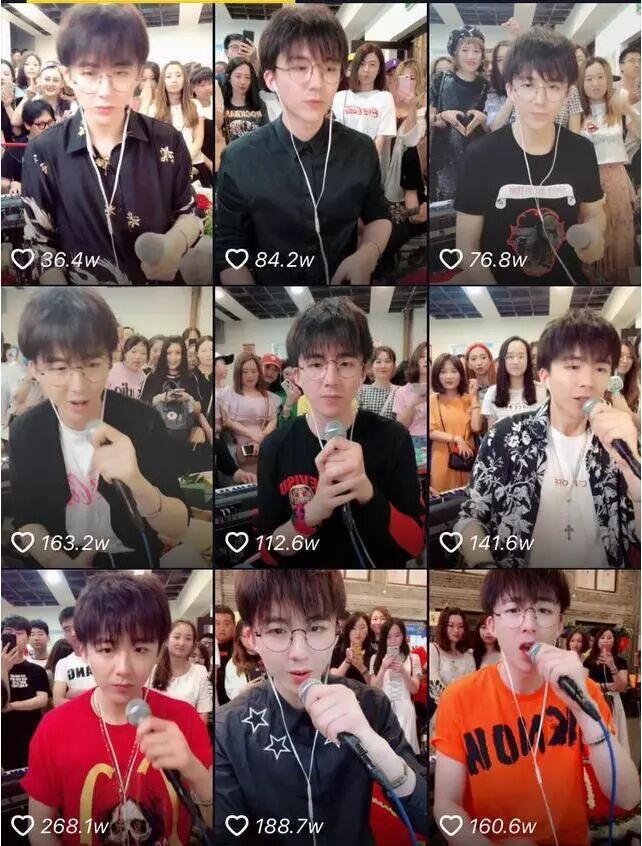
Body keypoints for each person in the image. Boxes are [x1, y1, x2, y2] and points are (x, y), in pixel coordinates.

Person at [215, 571, 427, 845]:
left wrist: (374, 745)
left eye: (316, 628)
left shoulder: (371, 704)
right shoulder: (228, 728)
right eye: (277, 630)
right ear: (251, 637)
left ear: (337, 631)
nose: (299, 653)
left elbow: (425, 818)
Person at [432, 570, 640, 845]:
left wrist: (582, 708)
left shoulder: (583, 690)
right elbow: (446, 805)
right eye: (513, 609)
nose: (529, 625)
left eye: (543, 610)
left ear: (559, 624)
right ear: (492, 625)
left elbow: (628, 796)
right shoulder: (459, 697)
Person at [22, 573, 213, 846]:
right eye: (106, 648)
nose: (123, 669)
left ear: (158, 651)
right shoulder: (54, 727)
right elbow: (40, 828)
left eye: (140, 649)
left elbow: (218, 824)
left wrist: (193, 770)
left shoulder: (183, 718)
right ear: (83, 650)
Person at [20, 5, 202, 284]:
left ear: (138, 74)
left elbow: (188, 212)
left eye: (120, 72)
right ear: (69, 76)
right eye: (89, 73)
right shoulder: (43, 152)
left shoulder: (167, 140)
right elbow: (40, 243)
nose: (105, 91)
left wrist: (174, 245)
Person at [9, 289, 189, 567]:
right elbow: (27, 519)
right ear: (34, 368)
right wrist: (57, 561)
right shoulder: (25, 431)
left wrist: (136, 481)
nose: (78, 386)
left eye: (92, 364)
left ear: (109, 361)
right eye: (59, 368)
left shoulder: (143, 421)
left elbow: (178, 526)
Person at [216, 3, 391, 284]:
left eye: (329, 68)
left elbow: (378, 215)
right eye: (299, 67)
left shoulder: (361, 150)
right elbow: (228, 247)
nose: (317, 83)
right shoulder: (240, 158)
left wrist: (367, 253)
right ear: (271, 79)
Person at [455, 311, 641, 567]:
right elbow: (470, 518)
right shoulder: (506, 436)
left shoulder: (618, 441)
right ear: (545, 376)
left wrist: (632, 471)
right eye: (573, 366)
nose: (587, 382)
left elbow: (634, 536)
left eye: (600, 368)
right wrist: (485, 565)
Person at [256, 297, 424, 566]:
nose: (331, 380)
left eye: (345, 364)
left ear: (363, 372)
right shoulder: (275, 447)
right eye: (316, 364)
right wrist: (311, 513)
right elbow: (269, 554)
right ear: (296, 376)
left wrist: (368, 494)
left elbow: (414, 544)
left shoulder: (393, 438)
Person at [453, 27, 606, 285]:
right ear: (511, 90)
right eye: (528, 84)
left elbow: (594, 212)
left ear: (567, 94)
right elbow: (466, 247)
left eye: (553, 86)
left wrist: (593, 231)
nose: (540, 99)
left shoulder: (581, 151)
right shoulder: (481, 156)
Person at [579, 57, 639, 282]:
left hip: (616, 177)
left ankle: (620, 281)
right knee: (594, 232)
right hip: (588, 180)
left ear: (608, 79)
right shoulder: (578, 111)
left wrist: (629, 109)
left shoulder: (617, 107)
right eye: (589, 78)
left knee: (620, 231)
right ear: (581, 82)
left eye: (600, 77)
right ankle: (594, 280)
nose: (595, 83)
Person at [429, 26, 488, 202]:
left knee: (474, 204)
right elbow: (429, 118)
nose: (471, 56)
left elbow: (491, 127)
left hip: (477, 158)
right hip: (444, 160)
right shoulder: (441, 79)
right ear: (454, 52)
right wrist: (442, 116)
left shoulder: (486, 85)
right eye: (465, 50)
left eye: (476, 51)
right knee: (444, 209)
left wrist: (483, 119)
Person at [218, 351, 280, 475]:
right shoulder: (227, 394)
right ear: (238, 373)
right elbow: (226, 421)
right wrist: (252, 434)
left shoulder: (268, 396)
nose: (249, 376)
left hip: (264, 446)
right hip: (236, 447)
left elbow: (273, 420)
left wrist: (261, 437)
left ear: (259, 372)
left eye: (254, 371)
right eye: (245, 372)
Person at [1, 615, 50, 770]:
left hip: (30, 732)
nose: (14, 636)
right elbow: (2, 702)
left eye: (19, 633)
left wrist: (12, 706)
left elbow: (42, 700)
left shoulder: (37, 670)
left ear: (27, 637)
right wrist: (4, 669)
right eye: (9, 632)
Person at [332, 43, 396, 157]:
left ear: (379, 69)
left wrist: (367, 163)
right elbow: (334, 135)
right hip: (341, 160)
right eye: (362, 64)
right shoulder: (339, 97)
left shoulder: (385, 98)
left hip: (370, 162)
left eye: (372, 65)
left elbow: (380, 139)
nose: (367, 69)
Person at [429, 353, 478, 493]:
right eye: (443, 372)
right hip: (442, 458)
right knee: (443, 499)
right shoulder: (433, 399)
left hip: (467, 458)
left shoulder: (469, 399)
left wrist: (474, 397)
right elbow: (430, 431)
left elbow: (476, 427)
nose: (448, 376)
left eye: (454, 371)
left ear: (461, 374)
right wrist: (456, 439)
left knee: (468, 497)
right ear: (437, 375)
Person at [370, 618, 421, 754]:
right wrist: (383, 668)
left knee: (406, 754)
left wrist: (403, 671)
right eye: (388, 637)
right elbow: (374, 690)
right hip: (383, 712)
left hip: (405, 710)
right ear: (383, 639)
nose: (393, 641)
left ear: (403, 636)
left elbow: (414, 689)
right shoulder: (375, 659)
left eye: (397, 635)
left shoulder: (413, 658)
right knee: (385, 754)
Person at [142, 60, 204, 168]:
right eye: (169, 76)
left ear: (184, 79)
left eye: (178, 75)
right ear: (163, 81)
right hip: (166, 167)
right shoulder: (154, 109)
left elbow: (198, 140)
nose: (174, 80)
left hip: (194, 164)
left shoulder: (195, 104)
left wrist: (183, 161)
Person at [150, 619, 213, 723]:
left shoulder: (200, 672)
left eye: (188, 639)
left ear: (193, 644)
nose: (182, 643)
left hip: (189, 731)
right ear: (166, 640)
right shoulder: (152, 671)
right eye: (176, 637)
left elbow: (203, 713)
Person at [428, 608, 474, 741]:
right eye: (451, 625)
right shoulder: (434, 649)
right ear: (443, 627)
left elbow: (472, 687)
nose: (456, 630)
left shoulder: (468, 656)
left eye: (460, 626)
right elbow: (434, 685)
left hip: (464, 715)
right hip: (442, 712)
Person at [583, 626, 630, 753]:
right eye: (602, 637)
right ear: (597, 640)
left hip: (613, 702)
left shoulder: (620, 662)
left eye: (609, 638)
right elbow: (585, 684)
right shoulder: (589, 661)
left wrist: (612, 666)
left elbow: (621, 686)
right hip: (595, 701)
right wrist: (607, 686)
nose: (605, 640)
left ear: (614, 641)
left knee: (615, 736)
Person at [481, 336, 545, 428]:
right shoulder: (493, 392)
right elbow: (491, 433)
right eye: (510, 356)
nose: (516, 361)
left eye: (521, 356)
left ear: (528, 360)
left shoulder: (542, 390)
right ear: (503, 360)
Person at [1, 100, 56, 196]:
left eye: (51, 123)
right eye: (41, 124)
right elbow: (2, 181)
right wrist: (12, 184)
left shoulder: (60, 144)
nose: (47, 128)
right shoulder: (15, 149)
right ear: (27, 125)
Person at [10, 62, 76, 131]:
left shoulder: (70, 104)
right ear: (40, 81)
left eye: (55, 80)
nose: (50, 84)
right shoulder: (34, 101)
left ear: (62, 84)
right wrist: (26, 98)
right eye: (47, 79)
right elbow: (15, 122)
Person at [53, 606, 95, 706]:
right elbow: (57, 701)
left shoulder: (105, 656)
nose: (73, 633)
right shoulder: (63, 663)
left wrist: (77, 694)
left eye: (77, 627)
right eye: (67, 629)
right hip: (78, 714)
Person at [221, 57, 267, 144]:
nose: (243, 82)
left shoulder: (259, 104)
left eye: (247, 77)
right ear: (229, 77)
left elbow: (266, 135)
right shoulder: (222, 104)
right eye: (238, 76)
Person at [224, 619, 264, 701]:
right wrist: (244, 690)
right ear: (239, 638)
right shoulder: (234, 663)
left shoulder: (271, 655)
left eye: (254, 635)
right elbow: (231, 693)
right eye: (245, 636)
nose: (250, 640)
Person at [330, 612, 374, 685]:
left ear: (368, 630)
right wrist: (347, 660)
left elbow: (374, 685)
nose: (358, 632)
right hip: (341, 690)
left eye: (362, 628)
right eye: (353, 628)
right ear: (348, 630)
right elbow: (333, 679)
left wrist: (361, 667)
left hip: (364, 691)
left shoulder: (373, 654)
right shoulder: (337, 651)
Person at [358, 345, 399, 420]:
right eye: (378, 362)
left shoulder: (400, 391)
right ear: (371, 366)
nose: (383, 366)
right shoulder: (361, 391)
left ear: (394, 365)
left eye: (387, 361)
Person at [105, 333, 148, 399]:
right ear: (125, 353)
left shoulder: (144, 378)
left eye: (143, 353)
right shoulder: (111, 369)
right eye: (133, 351)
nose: (138, 356)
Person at [485, 41, 515, 131]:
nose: (505, 63)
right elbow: (494, 127)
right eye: (500, 60)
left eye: (509, 58)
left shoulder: (532, 86)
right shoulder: (494, 92)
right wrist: (512, 96)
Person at [215, 605, 236, 707]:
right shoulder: (207, 648)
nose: (222, 628)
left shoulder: (241, 648)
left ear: (234, 625)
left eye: (226, 624)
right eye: (217, 623)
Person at [617, 340, 640, 413]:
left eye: (630, 357)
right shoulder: (601, 385)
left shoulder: (637, 390)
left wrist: (626, 410)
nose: (625, 361)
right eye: (621, 355)